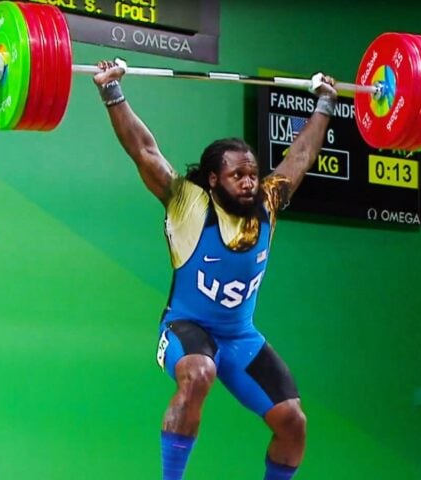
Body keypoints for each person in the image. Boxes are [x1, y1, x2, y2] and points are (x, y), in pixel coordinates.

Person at [93, 59, 337, 480]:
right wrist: (111, 90)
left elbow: (299, 156)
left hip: (240, 337)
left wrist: (326, 102)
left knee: (294, 423)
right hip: (184, 329)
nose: (248, 182)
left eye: (252, 174)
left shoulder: (268, 205)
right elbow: (144, 150)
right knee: (199, 372)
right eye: (236, 174)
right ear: (212, 179)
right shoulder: (188, 204)